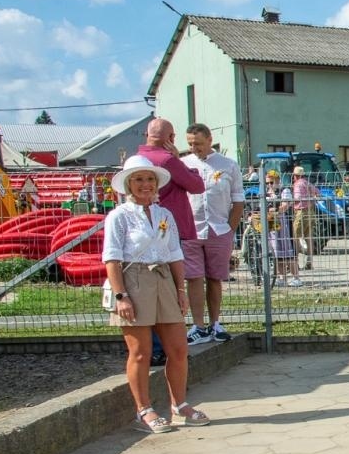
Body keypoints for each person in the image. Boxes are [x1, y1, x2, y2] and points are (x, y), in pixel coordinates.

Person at [102, 155, 209, 434]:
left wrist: (180, 289)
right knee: (141, 352)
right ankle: (144, 410)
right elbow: (111, 258)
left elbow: (174, 253)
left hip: (163, 278)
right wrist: (120, 296)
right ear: (128, 184)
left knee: (178, 348)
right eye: (138, 179)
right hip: (134, 279)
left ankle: (180, 404)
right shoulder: (119, 216)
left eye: (149, 179)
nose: (145, 185)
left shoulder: (165, 215)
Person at [138, 119, 204, 367]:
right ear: (171, 138)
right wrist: (183, 162)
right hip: (170, 230)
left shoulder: (137, 159)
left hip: (144, 233)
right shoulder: (167, 161)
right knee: (171, 291)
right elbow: (197, 186)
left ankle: (154, 347)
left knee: (150, 290)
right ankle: (166, 347)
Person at [181, 123, 245, 345]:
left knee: (215, 277)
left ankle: (215, 323)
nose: (194, 148)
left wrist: (230, 229)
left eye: (197, 143)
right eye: (190, 144)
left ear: (209, 140)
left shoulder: (228, 165)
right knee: (194, 277)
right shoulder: (183, 164)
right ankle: (198, 326)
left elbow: (238, 200)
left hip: (219, 229)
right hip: (191, 230)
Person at [291, 165, 316, 271]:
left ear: (295, 176)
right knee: (309, 237)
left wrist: (290, 202)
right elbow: (317, 192)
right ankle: (309, 261)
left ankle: (295, 262)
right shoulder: (308, 183)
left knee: (295, 237)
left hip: (301, 211)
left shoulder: (297, 184)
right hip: (310, 211)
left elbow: (297, 198)